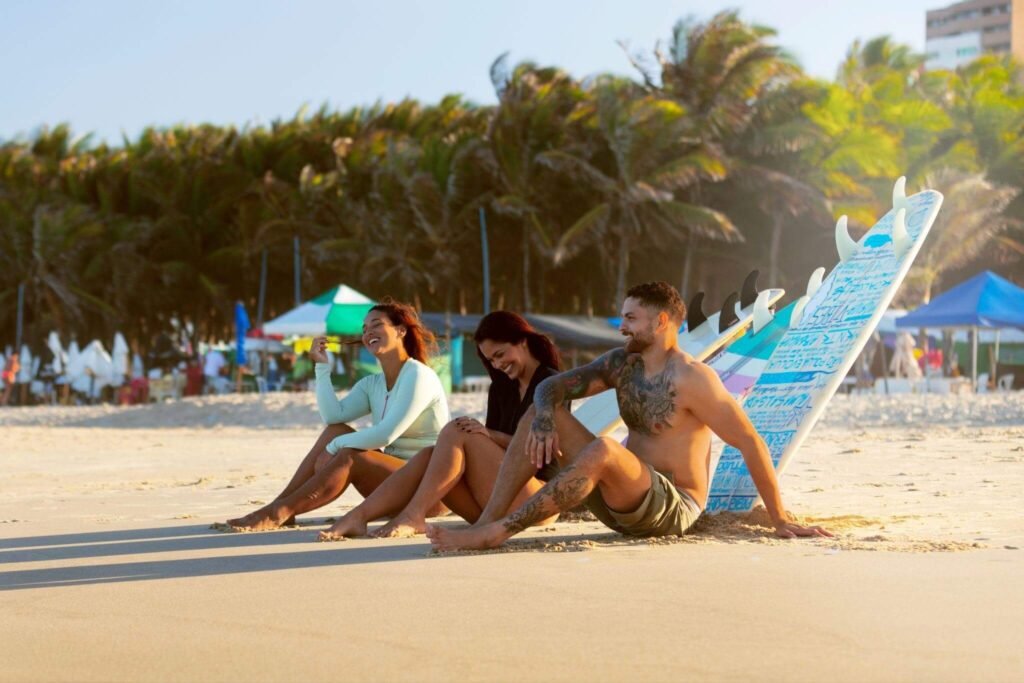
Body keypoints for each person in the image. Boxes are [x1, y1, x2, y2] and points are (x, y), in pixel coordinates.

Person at [427, 282, 832, 551]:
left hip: (671, 507)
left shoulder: (693, 379)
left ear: (660, 322)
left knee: (605, 447)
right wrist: (547, 417)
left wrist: (779, 518)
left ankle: (497, 533)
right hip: (619, 496)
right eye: (622, 317)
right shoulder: (620, 365)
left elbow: (749, 441)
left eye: (630, 319)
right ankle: (488, 520)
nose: (621, 327)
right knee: (537, 410)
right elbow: (551, 387)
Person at [320, 311, 564, 540]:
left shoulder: (551, 383)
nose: (498, 365)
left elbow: (546, 450)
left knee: (455, 429)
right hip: (496, 502)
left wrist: (488, 434)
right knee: (431, 455)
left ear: (522, 341)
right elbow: (493, 452)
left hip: (536, 500)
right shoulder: (501, 387)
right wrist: (485, 437)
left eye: (499, 355)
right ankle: (360, 516)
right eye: (491, 360)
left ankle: (413, 514)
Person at [226, 298, 449, 531]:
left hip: (430, 492)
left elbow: (385, 435)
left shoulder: (419, 375)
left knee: (351, 453)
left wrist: (334, 448)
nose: (368, 332)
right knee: (336, 431)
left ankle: (282, 510)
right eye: (364, 329)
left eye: (376, 325)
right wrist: (322, 367)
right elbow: (333, 417)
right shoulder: (372, 383)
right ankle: (280, 505)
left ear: (400, 331)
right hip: (392, 484)